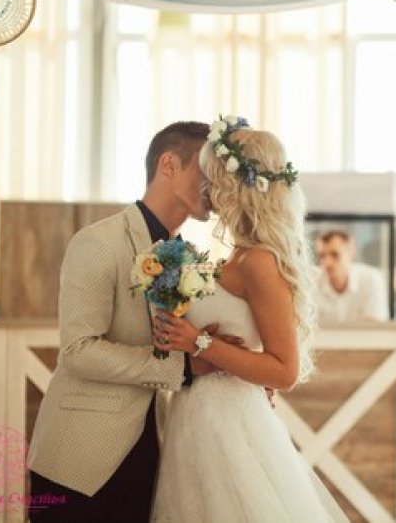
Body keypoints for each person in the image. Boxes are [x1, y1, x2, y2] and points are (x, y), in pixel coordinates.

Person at [27, 121, 240, 522]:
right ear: (169, 164)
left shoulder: (191, 257)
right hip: (80, 458)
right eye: (208, 169)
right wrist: (184, 366)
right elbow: (78, 352)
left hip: (154, 452)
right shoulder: (97, 242)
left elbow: (181, 341)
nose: (218, 184)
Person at [149, 116, 347, 522]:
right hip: (199, 418)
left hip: (228, 425)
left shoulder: (260, 262)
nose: (206, 187)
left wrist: (198, 342)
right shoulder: (239, 256)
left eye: (213, 177)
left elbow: (283, 370)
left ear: (234, 186)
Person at [315, 229, 390, 323]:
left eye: (335, 255)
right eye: (322, 256)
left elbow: (376, 326)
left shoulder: (371, 280)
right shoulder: (312, 282)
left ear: (350, 252)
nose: (327, 263)